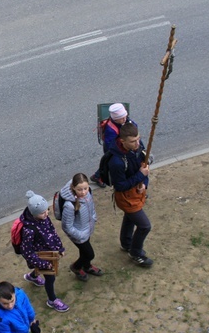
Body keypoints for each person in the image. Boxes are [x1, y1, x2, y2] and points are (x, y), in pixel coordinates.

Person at [108, 122, 153, 267]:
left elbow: (144, 166)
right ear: (122, 141)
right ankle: (135, 253)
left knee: (130, 218)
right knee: (145, 226)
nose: (137, 144)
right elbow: (120, 186)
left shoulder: (138, 149)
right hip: (126, 198)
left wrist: (144, 182)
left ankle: (126, 243)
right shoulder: (116, 162)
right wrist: (140, 175)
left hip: (136, 193)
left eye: (138, 139)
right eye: (133, 141)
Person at [19, 191, 68, 312]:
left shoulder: (45, 219)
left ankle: (33, 276)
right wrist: (43, 264)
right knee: (50, 279)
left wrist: (59, 247)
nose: (46, 213)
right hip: (42, 258)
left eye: (47, 210)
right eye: (42, 212)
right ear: (34, 213)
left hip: (49, 253)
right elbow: (27, 252)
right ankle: (52, 300)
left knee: (46, 273)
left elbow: (53, 232)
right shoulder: (28, 230)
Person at [59, 173, 102, 281]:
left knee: (84, 252)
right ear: (73, 188)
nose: (83, 192)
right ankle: (76, 267)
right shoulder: (69, 205)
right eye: (79, 189)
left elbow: (91, 208)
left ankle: (87, 266)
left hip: (87, 228)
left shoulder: (88, 194)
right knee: (89, 254)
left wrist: (93, 217)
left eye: (85, 188)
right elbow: (66, 226)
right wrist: (80, 235)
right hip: (79, 234)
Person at [91, 103, 134, 188]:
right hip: (113, 149)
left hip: (120, 147)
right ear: (116, 119)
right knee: (109, 163)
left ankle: (97, 176)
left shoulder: (125, 121)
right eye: (122, 118)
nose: (125, 119)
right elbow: (110, 145)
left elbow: (133, 126)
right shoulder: (110, 130)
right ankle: (97, 176)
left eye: (125, 116)